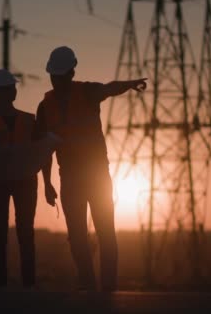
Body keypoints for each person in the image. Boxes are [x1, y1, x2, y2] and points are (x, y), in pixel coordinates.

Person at [36, 46, 146, 292]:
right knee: (77, 237)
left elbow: (109, 88)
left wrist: (129, 84)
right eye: (53, 76)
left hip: (97, 177)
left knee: (106, 232)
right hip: (70, 178)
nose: (56, 81)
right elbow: (44, 150)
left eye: (60, 75)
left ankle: (107, 289)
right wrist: (47, 183)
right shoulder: (45, 106)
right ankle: (88, 285)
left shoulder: (86, 92)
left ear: (71, 73)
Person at [0, 69, 43, 288]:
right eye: (11, 87)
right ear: (0, 93)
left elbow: (38, 153)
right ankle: (0, 283)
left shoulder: (28, 120)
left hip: (24, 181)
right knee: (0, 232)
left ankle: (28, 283)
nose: (15, 90)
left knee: (25, 232)